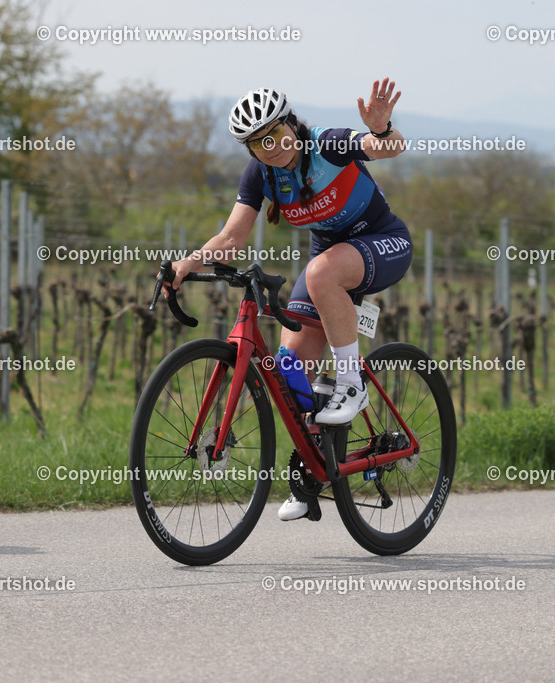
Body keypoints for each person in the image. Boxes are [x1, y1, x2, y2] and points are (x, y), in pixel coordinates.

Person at [168, 78, 412, 520]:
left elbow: (390, 148)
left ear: (291, 126)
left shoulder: (328, 145)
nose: (272, 148)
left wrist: (380, 129)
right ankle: (310, 471)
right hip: (330, 261)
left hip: (383, 242)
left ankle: (350, 383)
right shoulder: (262, 174)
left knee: (319, 273)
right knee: (290, 370)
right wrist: (187, 263)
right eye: (259, 144)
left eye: (277, 135)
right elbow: (231, 237)